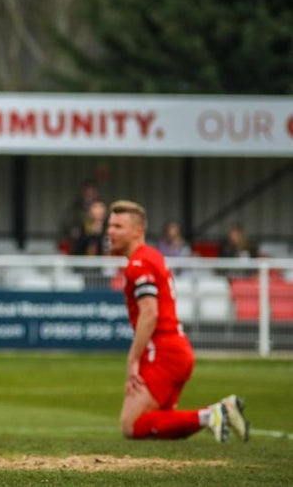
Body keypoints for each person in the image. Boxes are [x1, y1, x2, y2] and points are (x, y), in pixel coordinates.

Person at [107, 200, 249, 442]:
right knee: (160, 418)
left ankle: (213, 414)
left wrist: (133, 359)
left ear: (137, 231)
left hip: (164, 353)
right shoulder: (151, 256)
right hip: (175, 350)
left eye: (118, 226)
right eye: (110, 226)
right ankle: (215, 414)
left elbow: (149, 314)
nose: (110, 232)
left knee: (131, 424)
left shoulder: (140, 263)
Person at [59, 179, 100, 243]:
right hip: (78, 241)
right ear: (83, 191)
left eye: (93, 191)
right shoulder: (75, 206)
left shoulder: (100, 205)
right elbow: (66, 223)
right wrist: (74, 231)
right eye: (88, 191)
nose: (91, 193)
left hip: (95, 241)